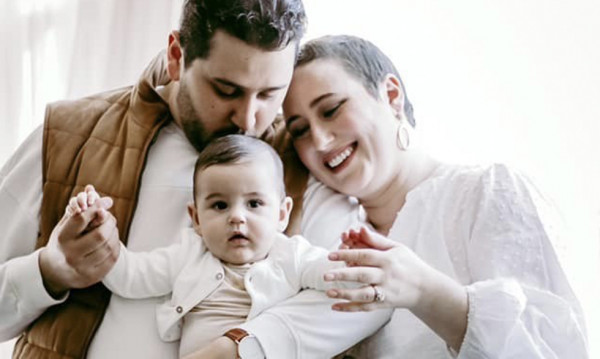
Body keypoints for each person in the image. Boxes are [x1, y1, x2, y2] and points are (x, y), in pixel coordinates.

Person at [0, 1, 389, 358]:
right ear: (176, 56)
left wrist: (243, 347)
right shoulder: (67, 135)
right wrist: (49, 270)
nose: (249, 119)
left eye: (271, 94)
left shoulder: (302, 163)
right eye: (226, 89)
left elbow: (370, 298)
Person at [282, 34, 589, 358]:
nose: (319, 140)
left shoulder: (488, 192)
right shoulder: (318, 238)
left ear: (391, 95)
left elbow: (553, 349)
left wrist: (423, 290)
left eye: (331, 109)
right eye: (300, 130)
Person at [64, 135, 355, 358]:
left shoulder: (290, 255)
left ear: (281, 214)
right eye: (219, 205)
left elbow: (329, 274)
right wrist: (100, 237)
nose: (237, 217)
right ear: (197, 218)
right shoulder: (190, 254)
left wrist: (352, 261)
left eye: (254, 203)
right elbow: (133, 277)